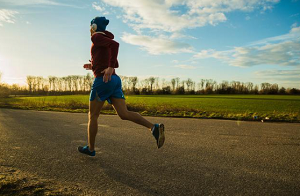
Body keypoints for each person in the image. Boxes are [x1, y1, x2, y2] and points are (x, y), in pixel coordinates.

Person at [78, 16, 165, 156]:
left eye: (90, 26)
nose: (89, 29)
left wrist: (109, 67)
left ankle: (91, 149)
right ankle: (153, 127)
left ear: (94, 27)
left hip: (103, 81)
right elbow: (116, 63)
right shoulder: (104, 40)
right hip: (115, 81)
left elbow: (115, 46)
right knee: (124, 114)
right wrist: (95, 65)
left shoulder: (96, 37)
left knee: (92, 116)